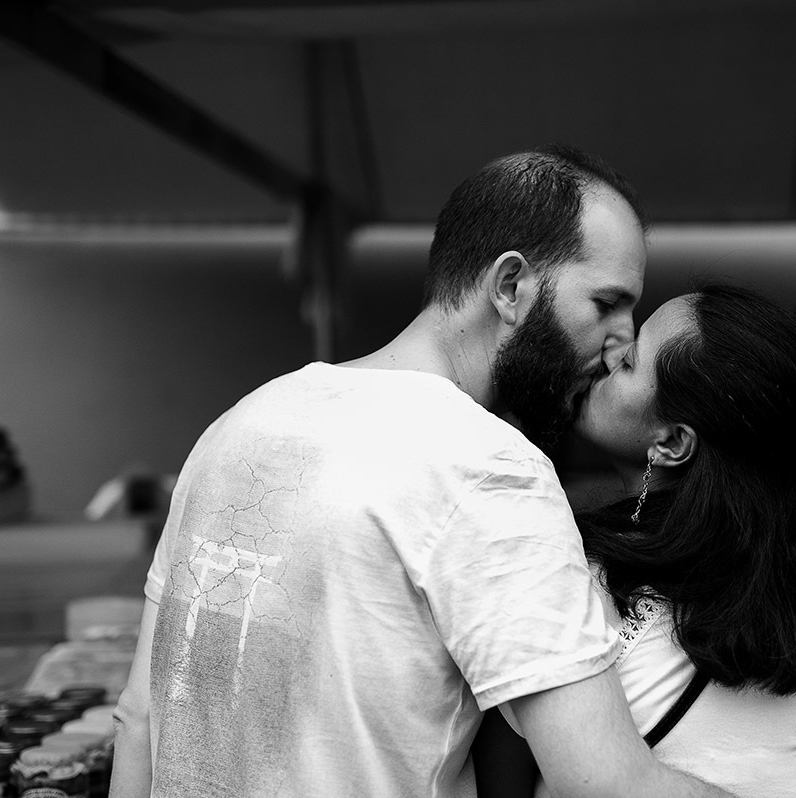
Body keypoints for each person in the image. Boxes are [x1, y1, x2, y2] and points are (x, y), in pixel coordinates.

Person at [108, 145, 734, 798]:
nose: (620, 341)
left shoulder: (239, 424)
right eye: (606, 302)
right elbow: (606, 785)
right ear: (512, 286)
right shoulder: (487, 468)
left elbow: (140, 715)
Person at [474, 280, 796, 798]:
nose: (610, 353)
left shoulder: (573, 585)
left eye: (631, 361)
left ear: (673, 442)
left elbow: (501, 783)